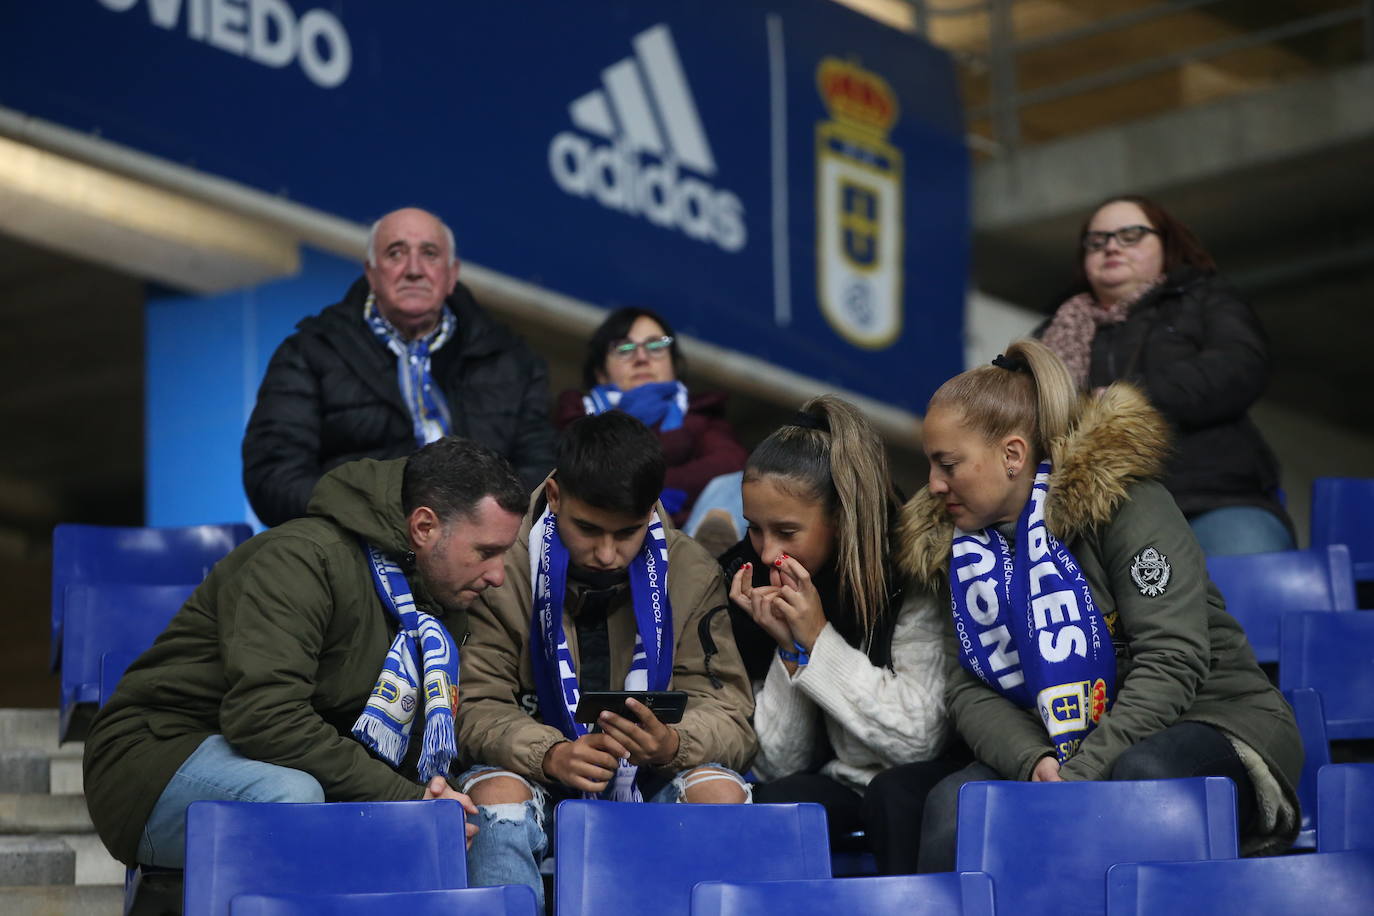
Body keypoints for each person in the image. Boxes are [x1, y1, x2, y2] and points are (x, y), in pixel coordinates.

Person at [899, 339, 1302, 871]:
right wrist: (1034, 760)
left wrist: (1080, 774)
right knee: (956, 808)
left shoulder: (1125, 503)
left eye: (947, 464)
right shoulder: (958, 551)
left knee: (1143, 781)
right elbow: (969, 686)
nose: (933, 484)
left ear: (1013, 455)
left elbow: (1172, 659)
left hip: (1216, 719)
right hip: (1055, 745)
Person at [83, 438, 528, 869]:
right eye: (485, 552)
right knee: (292, 798)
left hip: (283, 763)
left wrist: (433, 794)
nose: (497, 577)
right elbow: (263, 716)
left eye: (503, 556)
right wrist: (405, 798)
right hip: (157, 760)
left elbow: (409, 741)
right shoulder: (301, 559)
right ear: (424, 527)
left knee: (468, 814)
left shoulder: (441, 597)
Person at [456, 411, 756, 908]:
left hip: (651, 779)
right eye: (589, 529)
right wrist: (549, 754)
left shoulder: (690, 570)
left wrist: (671, 744)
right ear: (555, 496)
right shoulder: (502, 563)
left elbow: (731, 714)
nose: (607, 553)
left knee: (721, 798)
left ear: (652, 510)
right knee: (496, 803)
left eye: (628, 532)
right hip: (531, 772)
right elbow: (473, 706)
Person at [721, 395, 959, 875]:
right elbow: (776, 765)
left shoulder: (912, 569)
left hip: (928, 778)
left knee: (895, 797)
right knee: (782, 799)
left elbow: (918, 740)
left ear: (841, 518)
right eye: (756, 530)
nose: (768, 553)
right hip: (844, 781)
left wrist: (819, 638)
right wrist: (790, 646)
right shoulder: (770, 581)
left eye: (787, 531)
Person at [243, 207, 556, 527]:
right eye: (396, 253)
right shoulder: (310, 353)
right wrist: (380, 516)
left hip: (486, 555)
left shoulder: (512, 360)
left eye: (430, 254)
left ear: (452, 275)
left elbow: (543, 472)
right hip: (355, 552)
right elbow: (274, 478)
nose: (414, 270)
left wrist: (476, 523)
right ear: (371, 273)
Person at [1037, 194, 1293, 556]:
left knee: (1250, 580)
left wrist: (1123, 401)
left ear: (1166, 244)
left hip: (1212, 496)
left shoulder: (1204, 297)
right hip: (1096, 513)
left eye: (1131, 235)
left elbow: (1241, 366)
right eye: (1097, 241)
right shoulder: (1055, 330)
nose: (1111, 246)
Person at [554, 306, 747, 550]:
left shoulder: (701, 416)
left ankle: (701, 556)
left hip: (685, 535)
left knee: (735, 483)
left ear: (674, 364)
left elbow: (731, 462)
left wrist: (641, 485)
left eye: (656, 346)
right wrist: (654, 490)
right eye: (624, 348)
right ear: (601, 373)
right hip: (608, 541)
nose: (642, 358)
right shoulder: (579, 419)